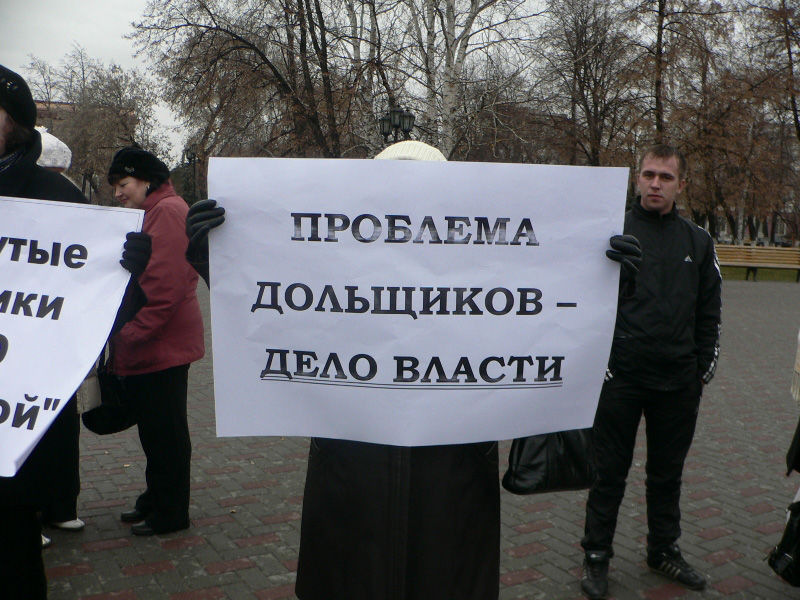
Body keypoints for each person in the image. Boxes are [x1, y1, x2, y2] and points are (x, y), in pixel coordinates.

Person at [186, 139, 642, 599]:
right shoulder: (333, 268)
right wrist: (218, 258)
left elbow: (542, 318)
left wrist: (602, 288)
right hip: (349, 471)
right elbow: (276, 307)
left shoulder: (487, 271)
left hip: (454, 476)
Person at [0, 64, 151, 600]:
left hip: (15, 427)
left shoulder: (54, 197)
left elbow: (98, 312)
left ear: (15, 122)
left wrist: (124, 275)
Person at [580, 144, 722, 600]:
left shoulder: (697, 241)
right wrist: (603, 265)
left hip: (678, 382)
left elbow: (710, 311)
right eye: (648, 175)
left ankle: (663, 549)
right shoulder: (611, 234)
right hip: (621, 377)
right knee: (608, 472)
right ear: (637, 179)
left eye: (665, 177)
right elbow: (581, 300)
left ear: (681, 184)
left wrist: (701, 370)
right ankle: (596, 555)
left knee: (666, 474)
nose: (655, 184)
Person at [107, 145, 205, 536]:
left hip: (162, 343)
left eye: (123, 183)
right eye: (115, 185)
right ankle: (156, 498)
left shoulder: (166, 212)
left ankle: (170, 512)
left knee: (166, 433)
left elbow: (165, 287)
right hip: (157, 341)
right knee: (154, 429)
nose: (117, 192)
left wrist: (129, 335)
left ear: (146, 180)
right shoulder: (153, 211)